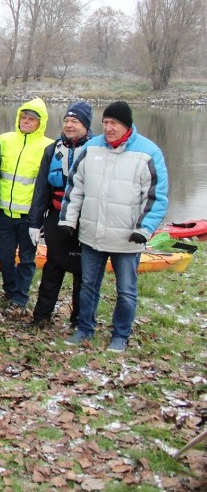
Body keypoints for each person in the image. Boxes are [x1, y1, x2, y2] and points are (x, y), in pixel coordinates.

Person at [61, 101, 168, 353]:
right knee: (88, 284)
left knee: (126, 290)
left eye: (114, 124)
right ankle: (85, 328)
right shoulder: (91, 148)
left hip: (127, 238)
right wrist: (68, 219)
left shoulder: (148, 153)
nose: (108, 128)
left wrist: (144, 229)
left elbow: (156, 197)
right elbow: (74, 189)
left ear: (127, 125)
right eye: (105, 123)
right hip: (92, 234)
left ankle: (120, 335)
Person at [28, 101, 93, 329]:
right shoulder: (53, 149)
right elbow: (41, 190)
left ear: (86, 125)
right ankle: (41, 317)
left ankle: (80, 321)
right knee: (53, 266)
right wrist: (35, 222)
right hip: (57, 215)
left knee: (83, 271)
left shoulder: (97, 150)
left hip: (86, 218)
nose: (69, 125)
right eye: (66, 120)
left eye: (75, 121)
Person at [0, 98, 53, 312]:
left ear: (41, 123)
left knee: (27, 258)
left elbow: (47, 184)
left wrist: (40, 216)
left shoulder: (48, 146)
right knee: (4, 257)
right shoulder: (5, 140)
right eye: (23, 118)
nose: (26, 122)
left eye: (31, 119)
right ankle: (10, 289)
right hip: (4, 213)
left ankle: (20, 297)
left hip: (30, 216)